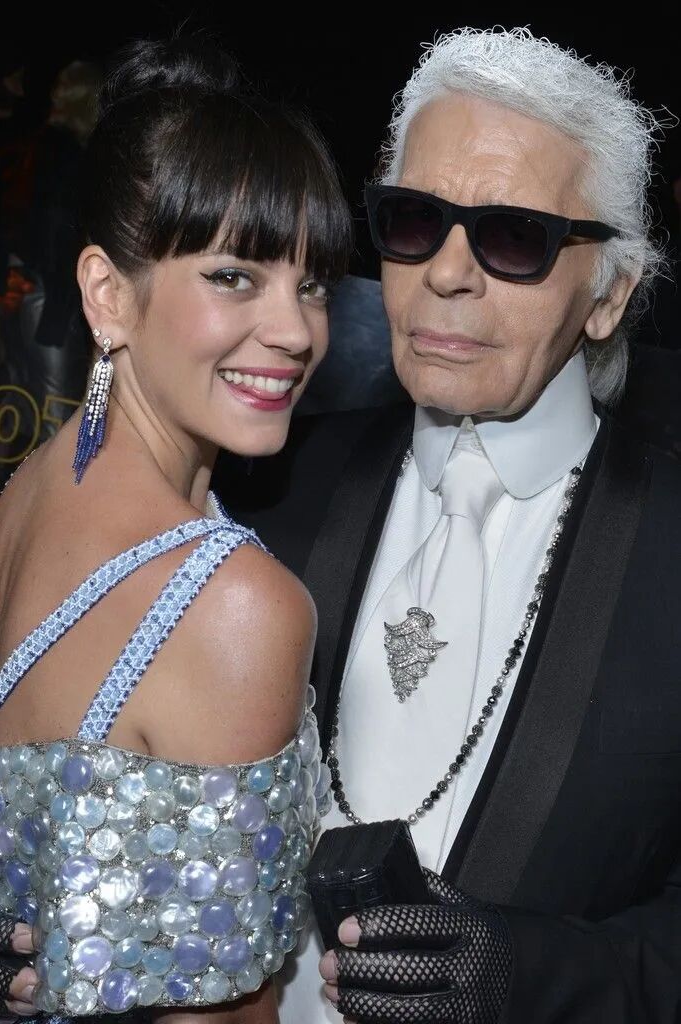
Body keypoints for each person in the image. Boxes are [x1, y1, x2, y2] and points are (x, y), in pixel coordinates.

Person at [215, 26, 681, 1023]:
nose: (446, 273)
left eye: (513, 236)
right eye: (415, 220)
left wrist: (531, 978)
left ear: (608, 295)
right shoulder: (262, 493)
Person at [0, 33, 351, 1023]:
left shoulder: (27, 489)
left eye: (312, 281)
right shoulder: (234, 606)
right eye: (234, 275)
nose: (295, 330)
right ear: (107, 294)